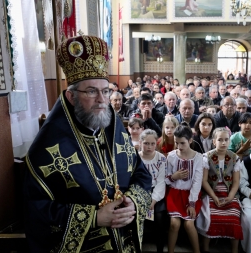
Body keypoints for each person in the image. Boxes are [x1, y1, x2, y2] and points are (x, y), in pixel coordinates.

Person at [24, 35, 152, 252]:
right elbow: (36, 209)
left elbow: (141, 173)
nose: (102, 100)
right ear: (71, 97)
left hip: (124, 241)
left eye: (105, 91)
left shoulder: (115, 131)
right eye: (91, 91)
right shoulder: (46, 148)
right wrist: (93, 217)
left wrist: (132, 201)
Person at [196, 127, 243, 253]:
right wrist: (215, 197)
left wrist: (231, 197)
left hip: (228, 192)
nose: (223, 143)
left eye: (226, 140)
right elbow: (204, 181)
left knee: (233, 215)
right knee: (210, 216)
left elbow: (236, 182)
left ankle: (234, 249)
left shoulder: (234, 157)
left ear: (229, 141)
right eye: (220, 139)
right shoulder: (207, 157)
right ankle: (205, 248)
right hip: (211, 190)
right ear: (214, 141)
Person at [165, 124, 205, 253]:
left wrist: (192, 203)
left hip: (191, 195)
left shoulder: (198, 158)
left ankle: (197, 251)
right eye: (177, 143)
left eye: (183, 143)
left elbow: (197, 182)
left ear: (190, 140)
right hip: (174, 194)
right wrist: (174, 177)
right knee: (174, 224)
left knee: (189, 224)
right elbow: (165, 179)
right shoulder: (171, 156)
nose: (179, 147)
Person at [138, 130, 167, 253]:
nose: (149, 147)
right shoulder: (136, 157)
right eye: (146, 143)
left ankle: (160, 247)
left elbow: (161, 181)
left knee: (160, 216)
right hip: (139, 191)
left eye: (152, 143)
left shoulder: (160, 159)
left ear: (156, 144)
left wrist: (153, 200)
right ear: (140, 143)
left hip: (157, 192)